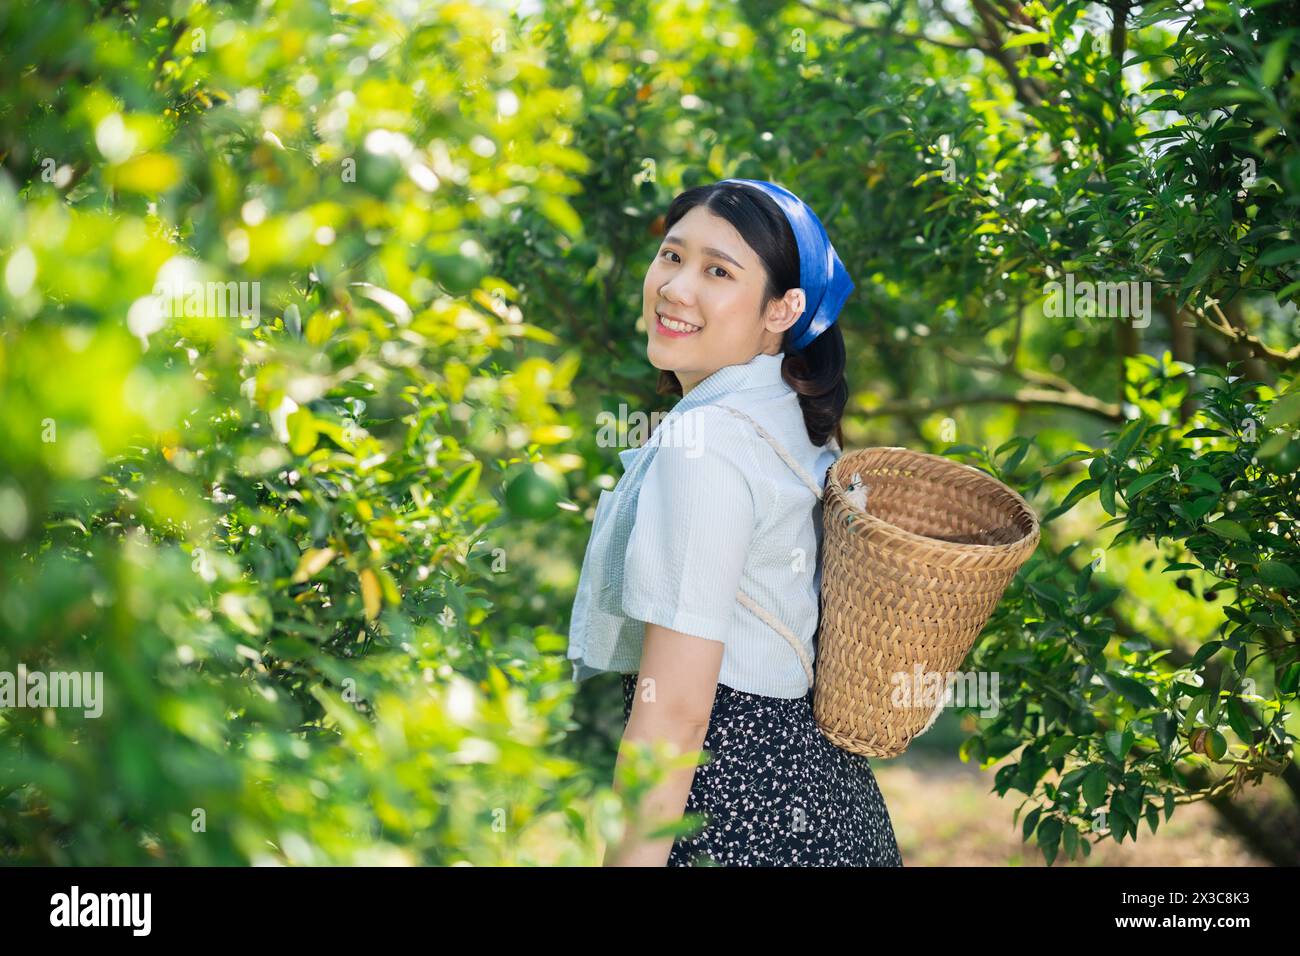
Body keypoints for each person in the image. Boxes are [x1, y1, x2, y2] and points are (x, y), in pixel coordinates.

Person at [566, 179, 903, 867]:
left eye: (718, 271)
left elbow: (675, 712)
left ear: (782, 308)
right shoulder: (793, 424)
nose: (676, 288)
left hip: (737, 812)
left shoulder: (707, 445)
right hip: (837, 812)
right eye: (671, 256)